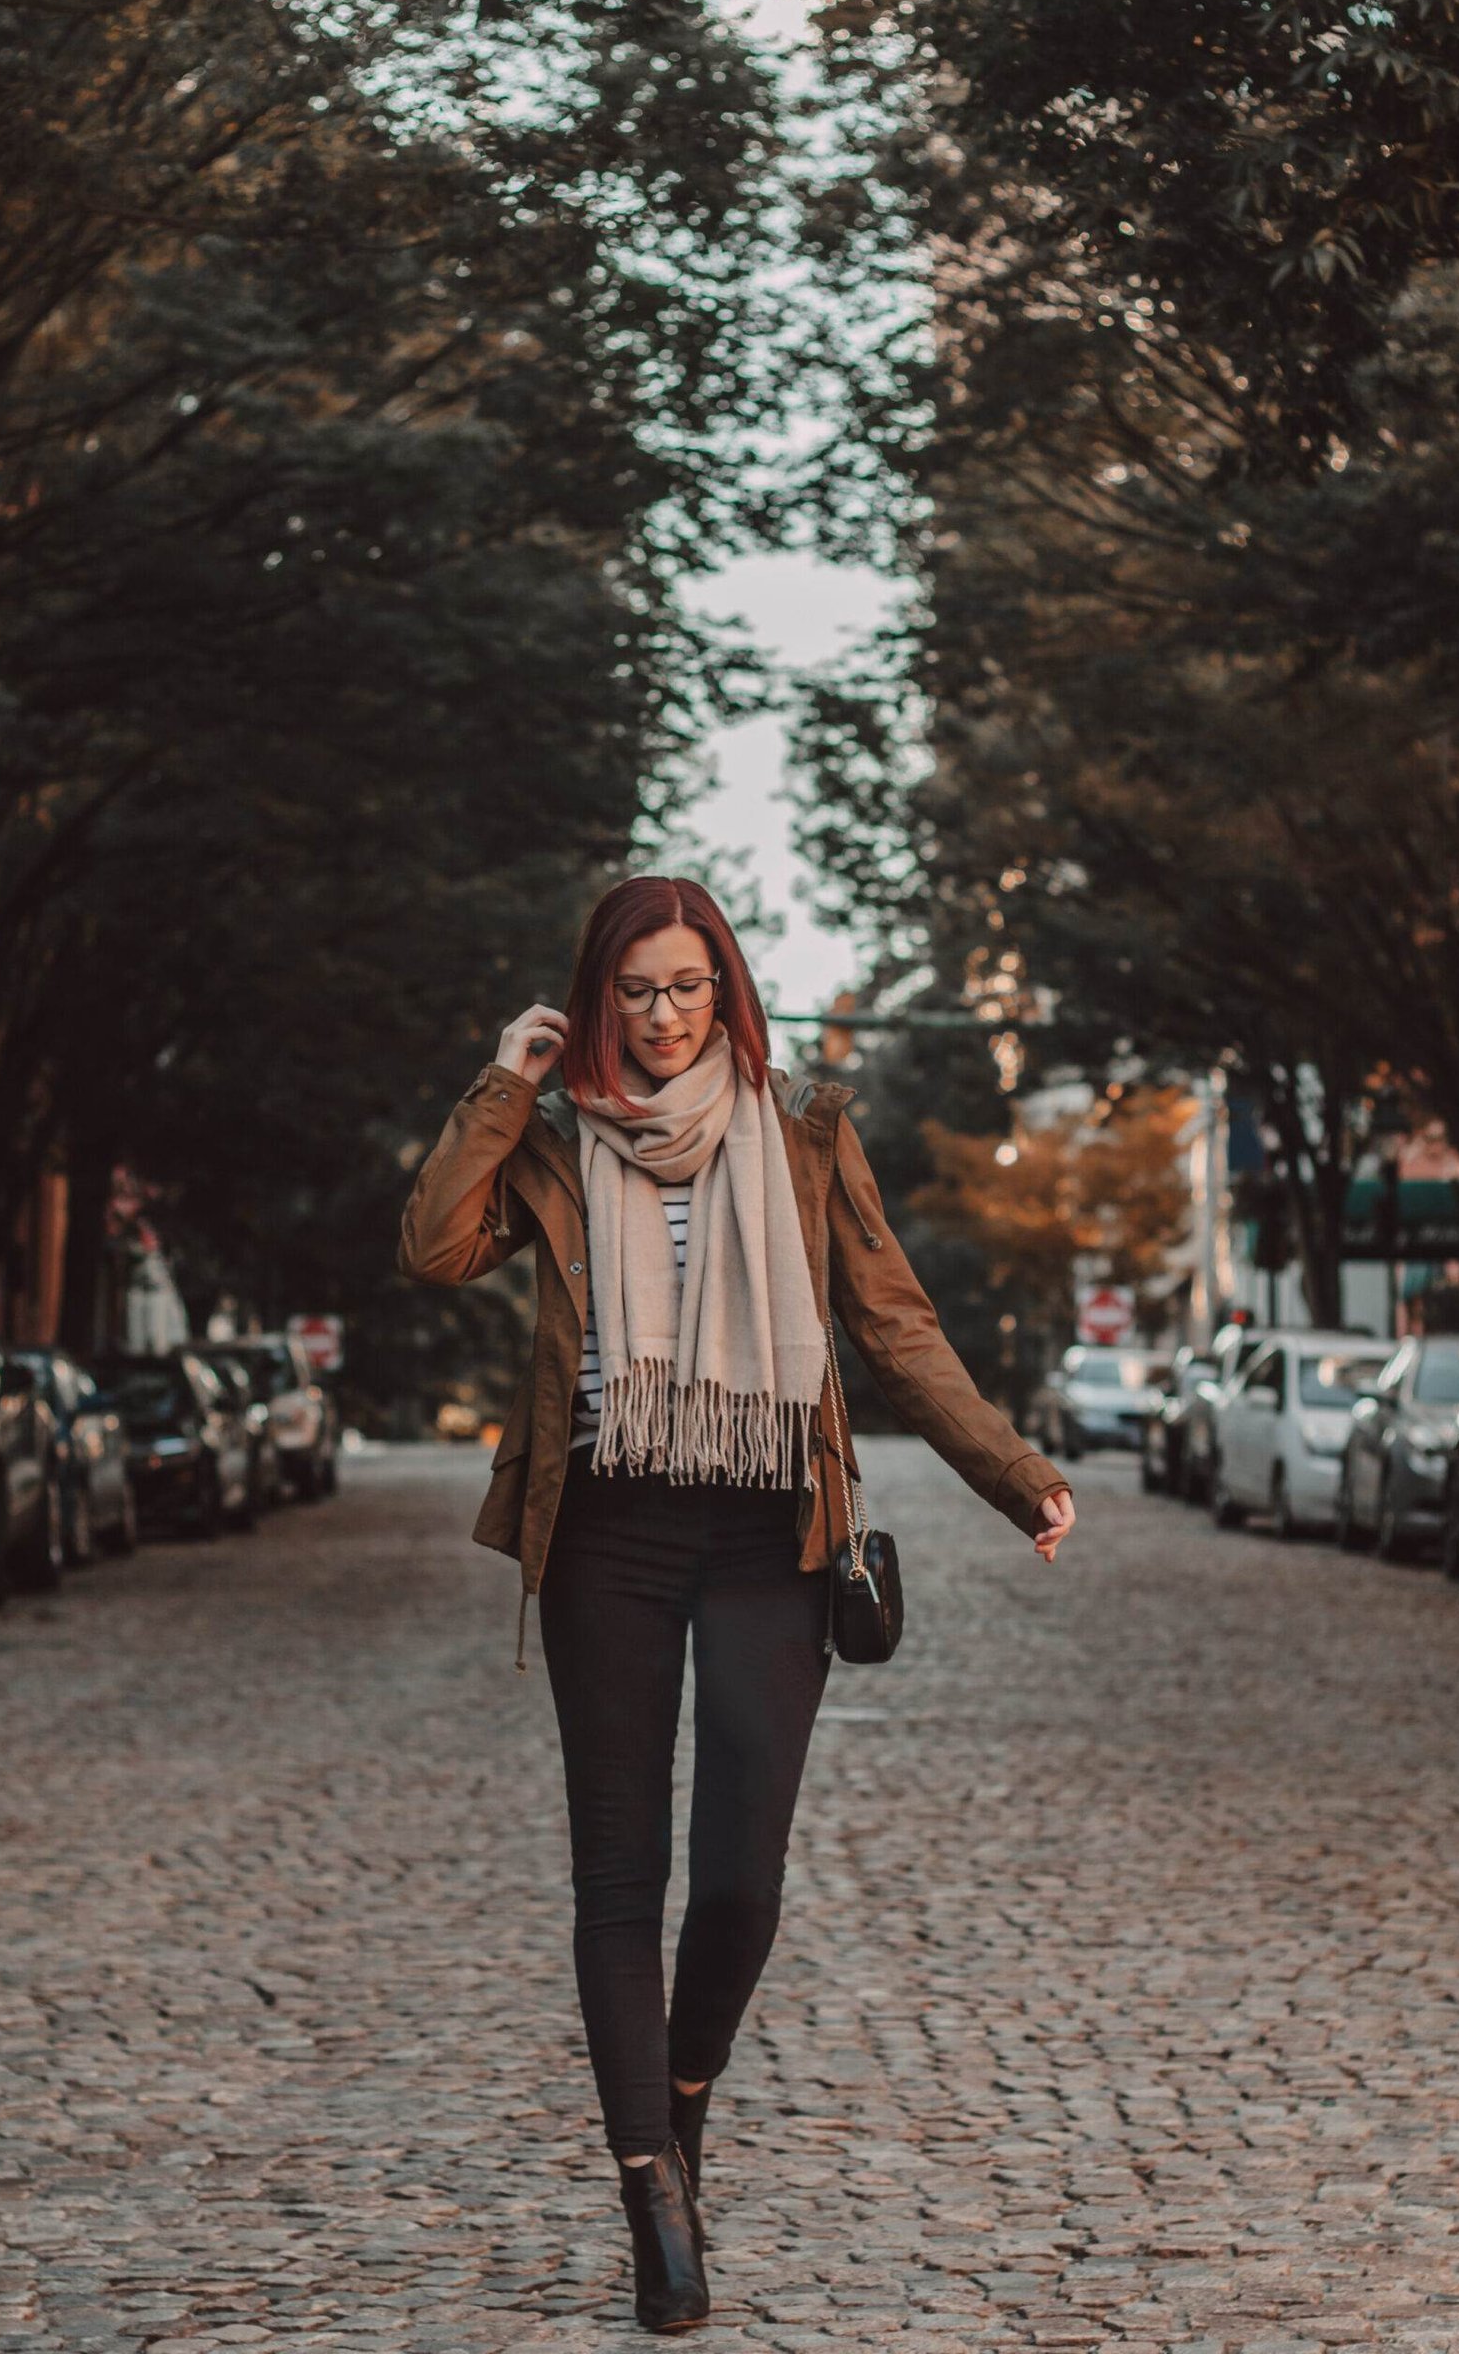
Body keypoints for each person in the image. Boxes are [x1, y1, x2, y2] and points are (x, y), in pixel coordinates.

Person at [397, 876, 1076, 2334]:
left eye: (686, 989)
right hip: (608, 1533)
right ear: (595, 1001)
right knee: (617, 1878)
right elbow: (435, 1248)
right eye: (634, 992)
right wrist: (502, 1089)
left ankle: (684, 2091)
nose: (660, 1019)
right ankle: (651, 2189)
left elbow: (894, 1326)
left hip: (773, 1525)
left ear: (727, 992)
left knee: (742, 1879)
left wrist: (1015, 1475)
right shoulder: (557, 1142)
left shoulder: (808, 1133)